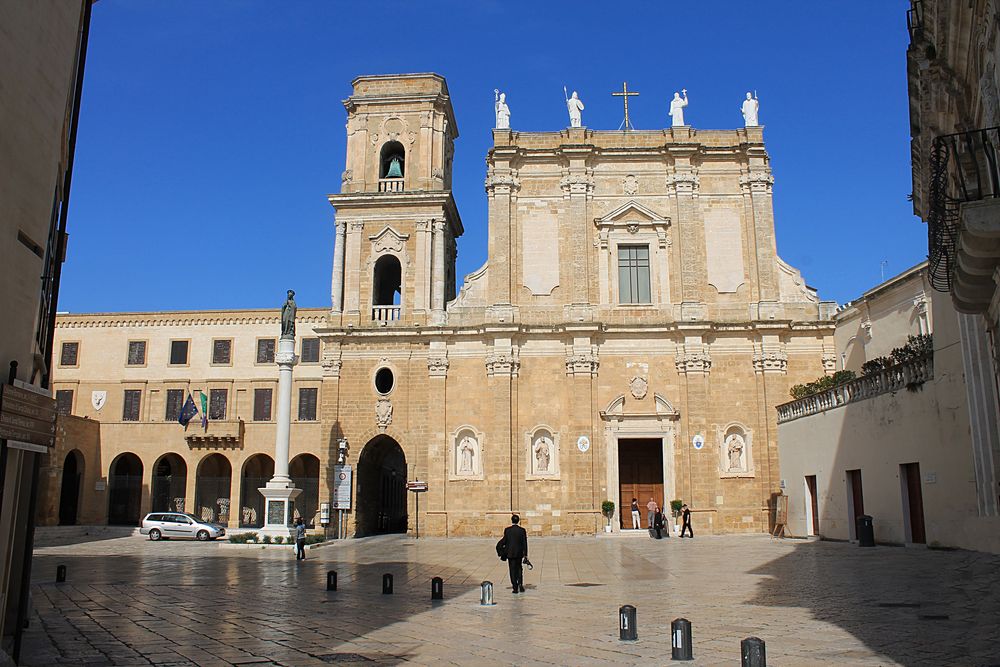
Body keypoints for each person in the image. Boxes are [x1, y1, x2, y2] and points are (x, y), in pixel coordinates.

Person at [498, 514, 528, 593]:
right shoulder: (522, 530)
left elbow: (504, 541)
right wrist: (525, 554)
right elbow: (524, 543)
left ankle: (515, 587)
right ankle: (520, 584)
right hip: (519, 553)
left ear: (512, 520)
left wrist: (501, 551)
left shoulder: (507, 530)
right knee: (519, 569)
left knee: (512, 570)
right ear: (518, 521)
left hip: (510, 553)